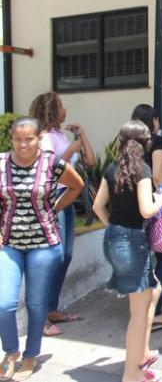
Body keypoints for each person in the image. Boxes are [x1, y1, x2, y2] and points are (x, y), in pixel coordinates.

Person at [0, 117, 83, 381]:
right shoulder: (1, 164)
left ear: (39, 139)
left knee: (37, 305)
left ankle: (30, 355)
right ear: (11, 139)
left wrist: (54, 208)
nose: (22, 144)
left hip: (43, 245)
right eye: (17, 139)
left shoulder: (52, 163)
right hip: (8, 244)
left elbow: (76, 186)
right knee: (4, 304)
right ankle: (10, 352)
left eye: (29, 138)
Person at [93, 120, 162, 382]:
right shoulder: (143, 169)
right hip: (133, 242)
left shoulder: (111, 168)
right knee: (137, 314)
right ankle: (132, 374)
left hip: (114, 238)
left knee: (154, 290)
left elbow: (97, 207)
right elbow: (146, 210)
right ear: (146, 143)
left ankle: (143, 353)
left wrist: (114, 228)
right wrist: (161, 198)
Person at [28, 92, 95, 337]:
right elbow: (49, 168)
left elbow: (90, 162)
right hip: (53, 200)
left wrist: (82, 135)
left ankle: (52, 309)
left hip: (67, 200)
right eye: (61, 107)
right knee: (52, 258)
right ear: (51, 112)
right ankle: (41, 317)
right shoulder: (44, 137)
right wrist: (71, 150)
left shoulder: (59, 135)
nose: (66, 110)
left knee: (64, 257)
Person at [131, 104, 162, 332]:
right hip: (152, 205)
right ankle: (155, 311)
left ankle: (139, 313)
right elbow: (157, 176)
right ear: (155, 121)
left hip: (131, 206)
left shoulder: (128, 143)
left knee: (142, 261)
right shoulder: (157, 142)